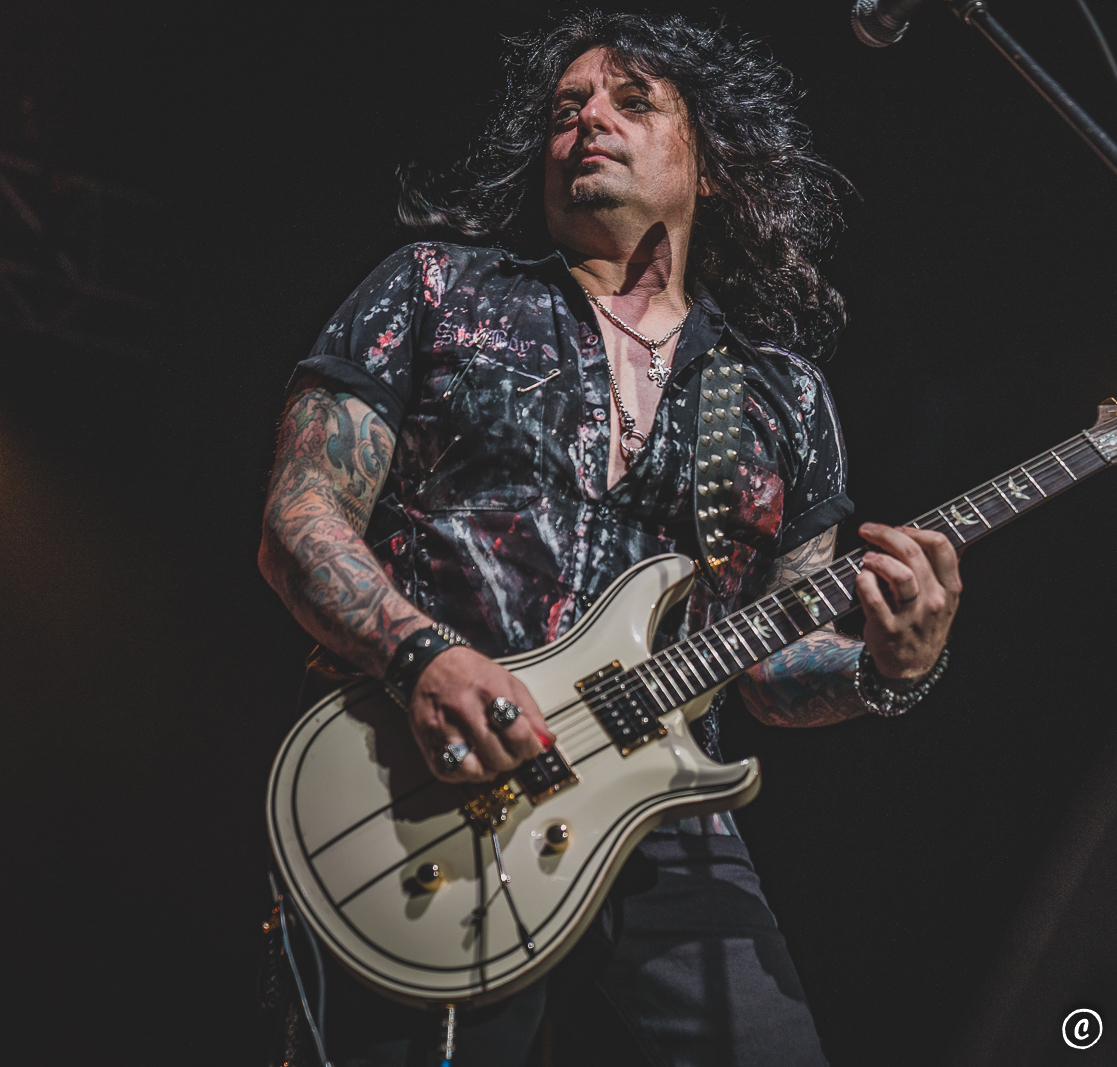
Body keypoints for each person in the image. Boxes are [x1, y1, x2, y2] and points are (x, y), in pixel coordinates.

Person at [258, 10, 961, 1065]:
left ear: (712, 164)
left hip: (668, 822)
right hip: (431, 779)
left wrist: (891, 666)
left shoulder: (780, 393)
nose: (588, 119)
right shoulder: (437, 291)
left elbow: (772, 663)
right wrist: (420, 653)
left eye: (632, 102)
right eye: (564, 109)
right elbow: (300, 518)